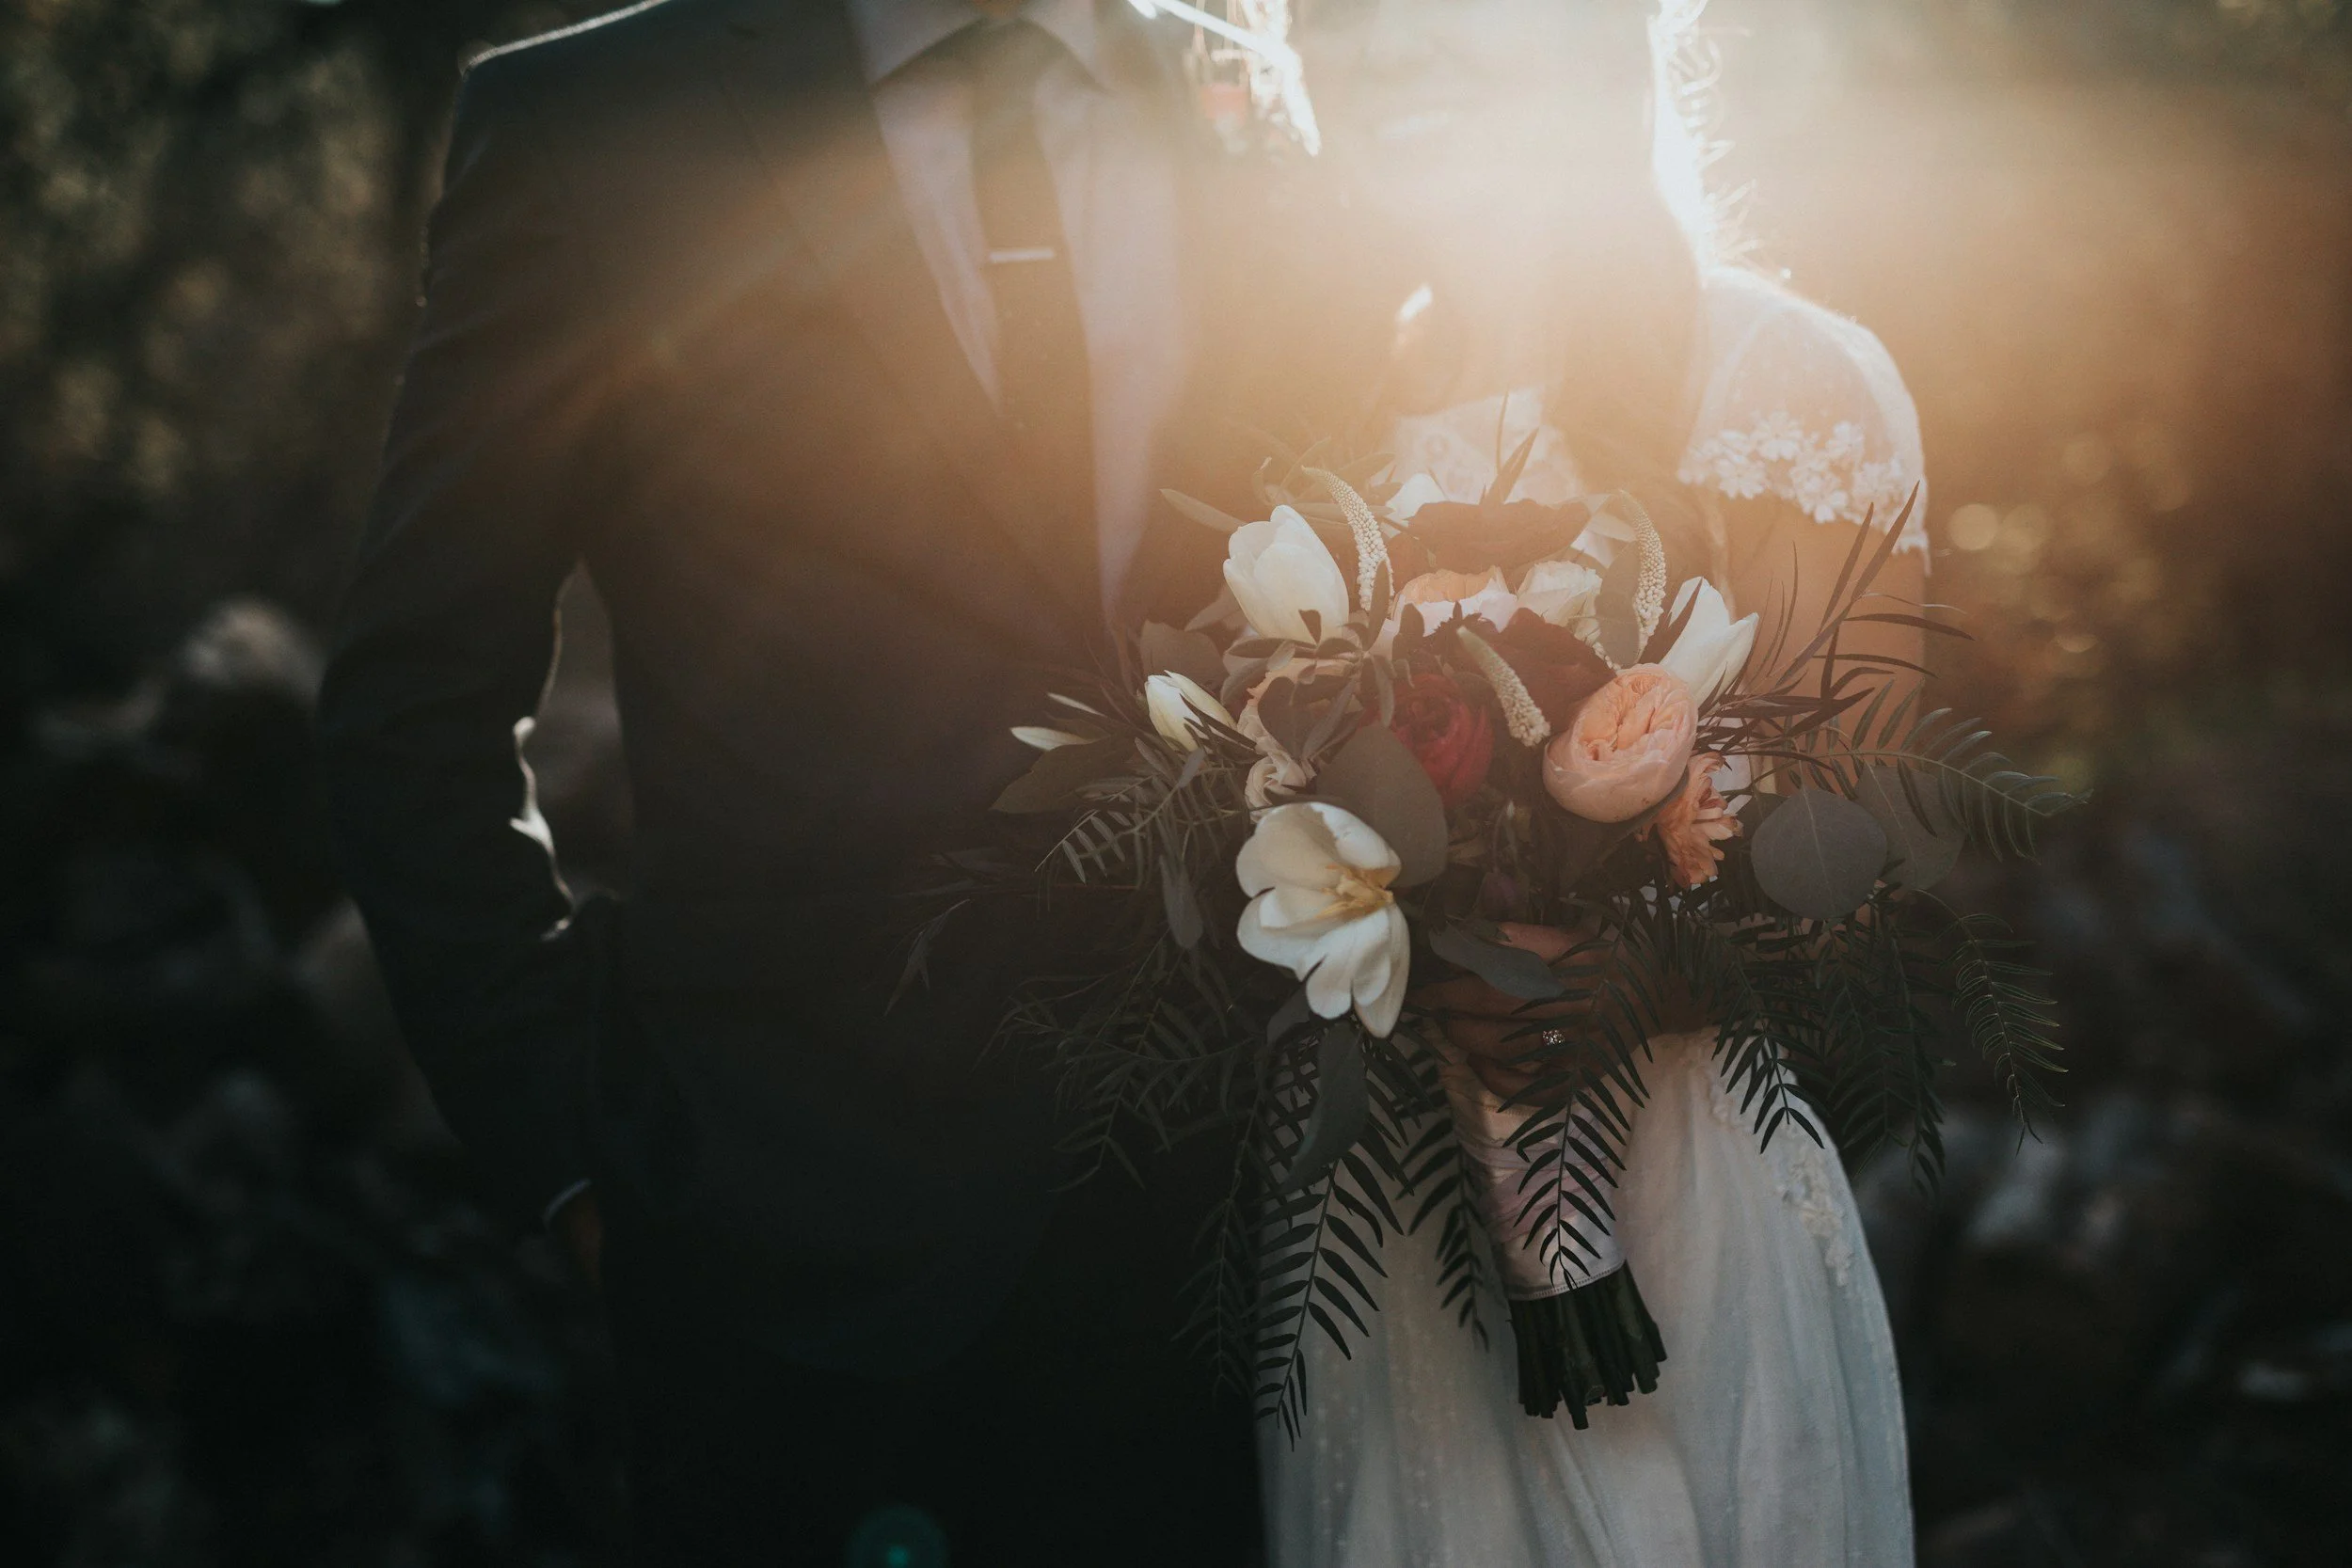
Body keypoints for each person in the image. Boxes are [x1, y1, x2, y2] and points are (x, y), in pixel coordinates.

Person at [314, 0, 1279, 1560]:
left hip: (1234, 1252)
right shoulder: (594, 128)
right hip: (782, 1260)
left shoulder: (1243, 99)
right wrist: (577, 1153)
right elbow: (411, 697)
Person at [1260, 0, 1926, 1562]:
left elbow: (1870, 837)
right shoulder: (1297, 422)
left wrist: (1620, 969)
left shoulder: (1782, 381)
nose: (1384, 41)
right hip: (1372, 1250)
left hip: (1680, 1205)